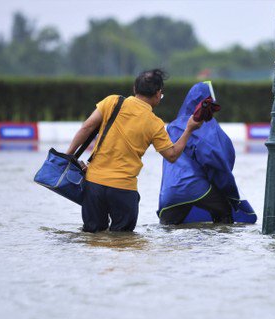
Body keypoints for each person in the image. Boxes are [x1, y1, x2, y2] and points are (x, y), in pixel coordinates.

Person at [65, 69, 203, 232]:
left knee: (92, 236)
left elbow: (87, 127)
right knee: (124, 242)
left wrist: (67, 157)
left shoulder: (113, 102)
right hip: (123, 189)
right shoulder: (154, 123)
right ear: (158, 94)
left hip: (94, 184)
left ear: (134, 88)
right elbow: (172, 155)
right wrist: (189, 129)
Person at [157, 81, 257, 225]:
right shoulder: (207, 127)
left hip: (169, 194)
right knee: (224, 212)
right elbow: (217, 159)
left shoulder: (172, 126)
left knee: (167, 228)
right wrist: (230, 193)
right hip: (197, 189)